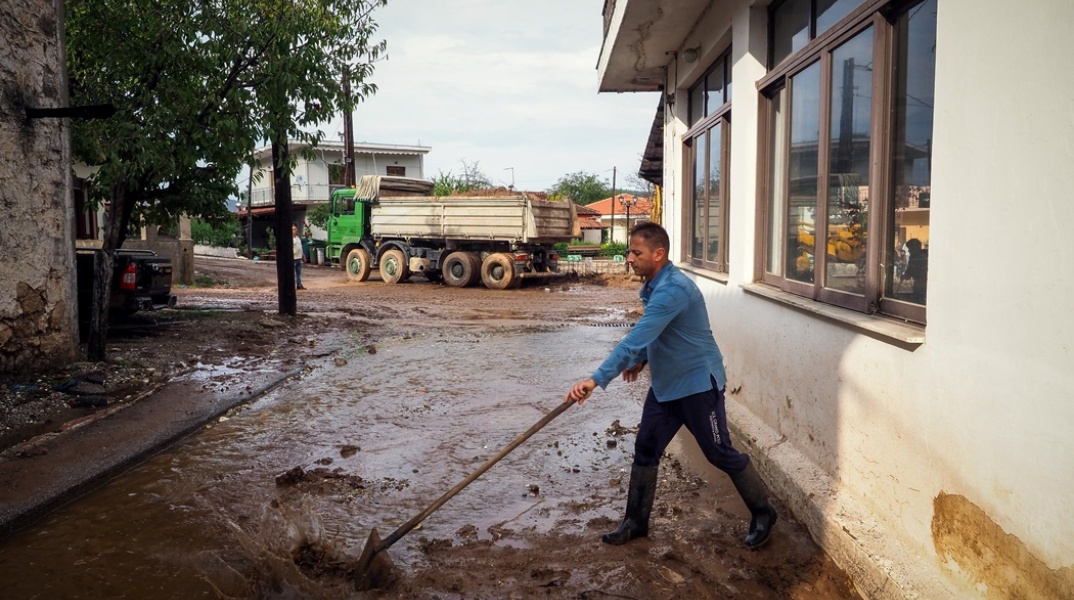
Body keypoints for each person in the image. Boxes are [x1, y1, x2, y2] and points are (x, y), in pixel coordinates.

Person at [565, 222, 777, 549]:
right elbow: (660, 334)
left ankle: (763, 513)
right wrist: (644, 359)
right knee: (646, 449)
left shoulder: (673, 290)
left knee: (718, 452)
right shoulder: (654, 286)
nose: (629, 258)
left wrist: (595, 379)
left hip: (696, 386)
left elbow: (636, 337)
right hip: (666, 388)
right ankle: (635, 523)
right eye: (629, 251)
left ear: (658, 254)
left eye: (636, 252)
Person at [292, 224, 305, 290]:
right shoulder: (290, 239)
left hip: (299, 258)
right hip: (293, 258)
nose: (295, 230)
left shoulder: (298, 238)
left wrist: (303, 255)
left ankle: (299, 285)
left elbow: (300, 248)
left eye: (296, 229)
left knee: (298, 273)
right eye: (294, 229)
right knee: (292, 274)